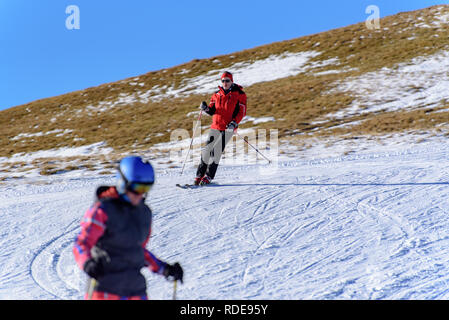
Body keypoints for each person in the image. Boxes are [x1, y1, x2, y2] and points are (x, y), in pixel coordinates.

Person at [73, 156, 183, 300]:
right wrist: (87, 263)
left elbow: (137, 250)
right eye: (137, 188)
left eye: (146, 188)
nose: (140, 194)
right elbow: (81, 244)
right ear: (122, 183)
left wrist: (165, 269)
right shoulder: (102, 210)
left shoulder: (144, 213)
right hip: (105, 289)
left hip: (135, 290)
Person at [195, 71, 247, 185]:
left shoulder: (239, 94)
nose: (225, 83)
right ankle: (199, 175)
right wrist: (205, 108)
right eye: (223, 81)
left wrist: (234, 123)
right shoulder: (216, 94)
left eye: (227, 80)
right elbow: (212, 110)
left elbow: (242, 112)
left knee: (216, 151)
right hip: (215, 126)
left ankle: (208, 177)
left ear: (231, 81)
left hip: (228, 128)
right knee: (207, 151)